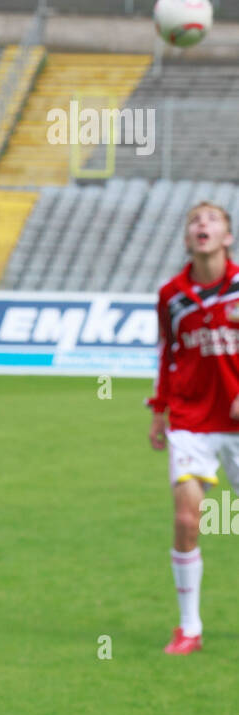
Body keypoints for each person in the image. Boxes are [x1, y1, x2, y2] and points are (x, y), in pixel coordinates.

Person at [148, 201, 239, 653]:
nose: (202, 226)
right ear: (188, 238)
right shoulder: (171, 295)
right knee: (187, 519)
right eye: (194, 221)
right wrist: (158, 409)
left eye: (212, 220)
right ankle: (190, 628)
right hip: (191, 420)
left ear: (227, 237)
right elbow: (167, 354)